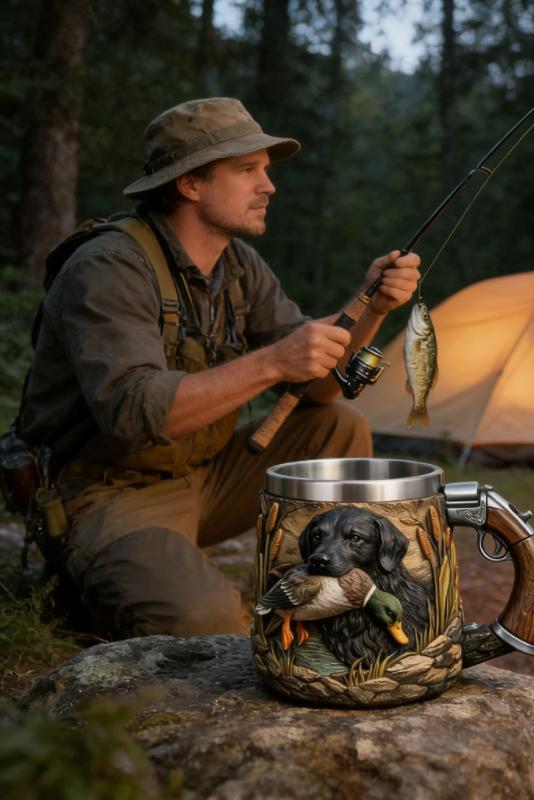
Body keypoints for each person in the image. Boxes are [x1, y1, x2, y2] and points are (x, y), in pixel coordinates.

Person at [16, 97, 421, 638]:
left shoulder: (238, 265)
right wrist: (275, 360)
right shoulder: (108, 267)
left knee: (339, 428)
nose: (269, 186)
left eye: (266, 171)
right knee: (208, 624)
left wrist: (369, 306)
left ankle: (314, 586)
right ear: (190, 184)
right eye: (247, 170)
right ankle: (92, 585)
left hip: (206, 475)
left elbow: (321, 388)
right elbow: (134, 414)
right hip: (108, 492)